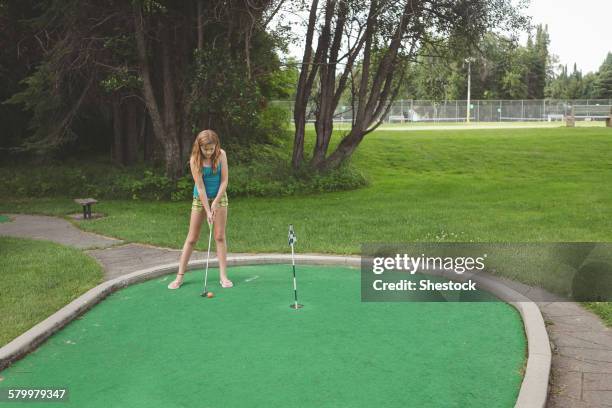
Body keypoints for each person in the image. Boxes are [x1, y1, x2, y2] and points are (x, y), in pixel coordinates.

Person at [167, 129, 232, 289]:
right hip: (200, 199)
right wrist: (208, 210)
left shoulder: (221, 154)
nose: (209, 152)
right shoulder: (194, 160)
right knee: (192, 238)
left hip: (219, 197)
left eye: (212, 148)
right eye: (206, 149)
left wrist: (215, 202)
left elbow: (224, 181)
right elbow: (201, 188)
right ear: (199, 146)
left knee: (219, 236)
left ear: (216, 145)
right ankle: (180, 276)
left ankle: (223, 276)